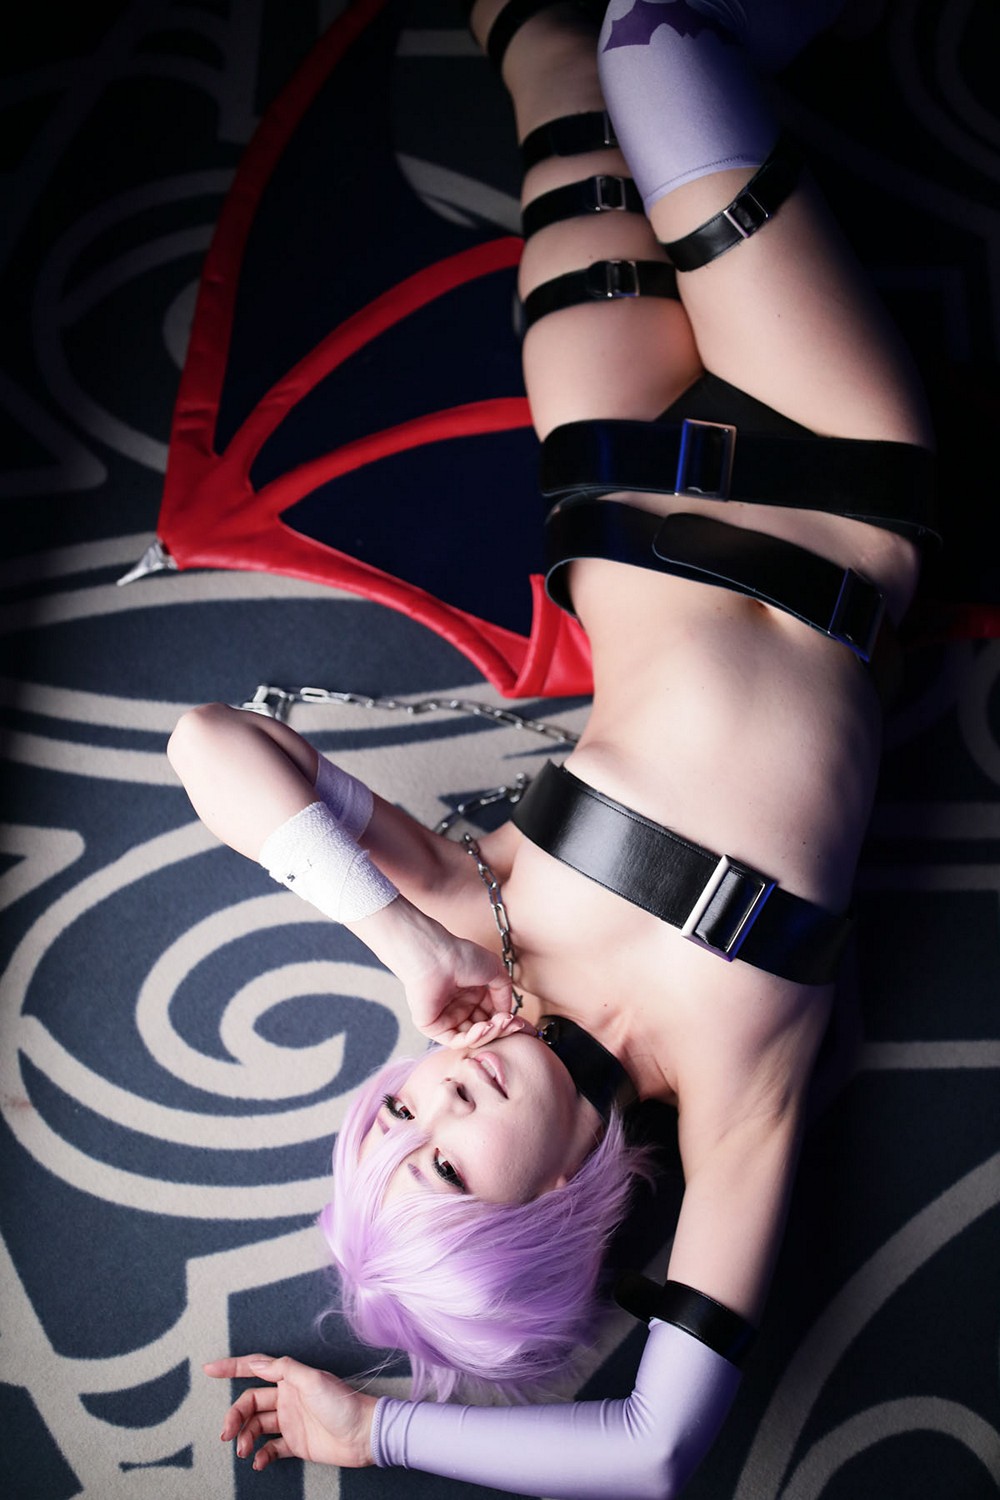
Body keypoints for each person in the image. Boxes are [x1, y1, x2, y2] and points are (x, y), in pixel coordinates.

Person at [167, 0, 936, 1492]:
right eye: (449, 1169)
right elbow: (656, 1454)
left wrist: (399, 936)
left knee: (544, 43)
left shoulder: (475, 919)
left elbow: (212, 746)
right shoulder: (737, 1100)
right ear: (548, 1221)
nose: (433, 1107)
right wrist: (368, 1428)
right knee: (656, 38)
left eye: (394, 1115)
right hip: (838, 472)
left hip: (616, 453)